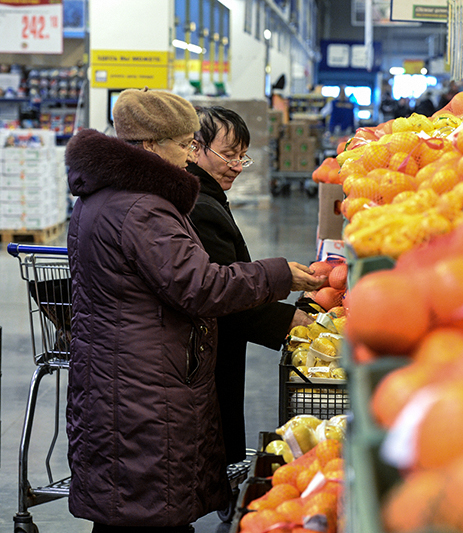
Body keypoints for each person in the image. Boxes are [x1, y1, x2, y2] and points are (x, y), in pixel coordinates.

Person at [64, 88, 325, 530]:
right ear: (150, 145)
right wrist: (277, 274)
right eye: (185, 145)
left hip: (120, 377)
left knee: (127, 507)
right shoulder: (143, 209)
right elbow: (200, 285)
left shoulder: (106, 195)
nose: (189, 158)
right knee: (147, 508)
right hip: (142, 386)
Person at [187, 105, 313, 466]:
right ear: (193, 148)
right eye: (228, 155)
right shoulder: (198, 207)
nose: (238, 165)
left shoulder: (206, 197)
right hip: (207, 345)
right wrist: (290, 322)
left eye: (243, 156)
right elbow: (223, 293)